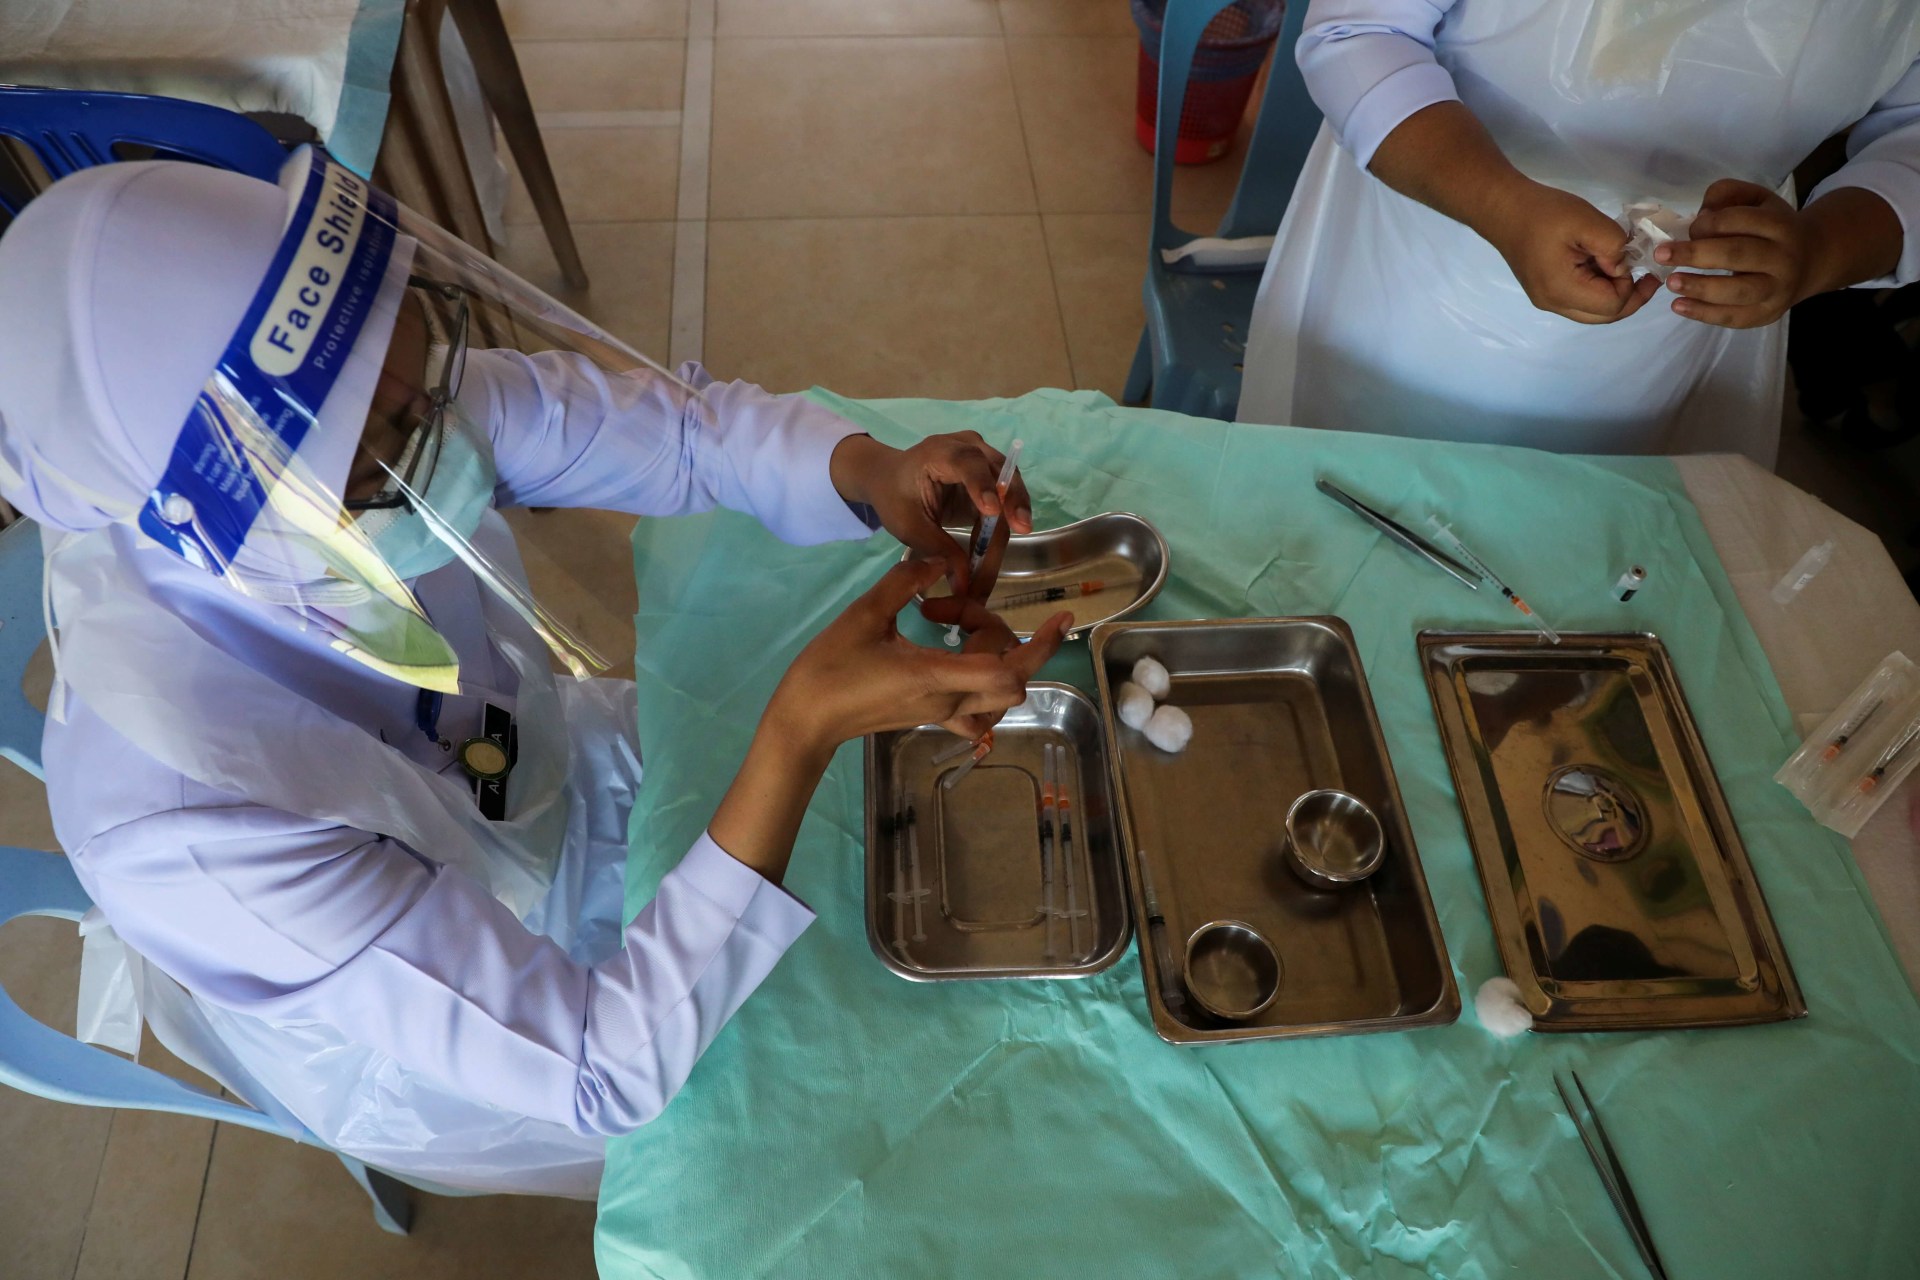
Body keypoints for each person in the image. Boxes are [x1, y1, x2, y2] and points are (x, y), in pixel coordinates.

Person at [0, 149, 1067, 1197]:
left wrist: (867, 471)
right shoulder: (187, 830)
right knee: (805, 1114)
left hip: (518, 762)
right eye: (387, 445)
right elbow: (598, 1063)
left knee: (816, 882)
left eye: (419, 378)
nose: (442, 430)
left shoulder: (346, 414)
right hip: (454, 1046)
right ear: (248, 510)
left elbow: (676, 437)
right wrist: (794, 735)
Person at [1236, 0, 1920, 464]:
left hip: (1688, 316)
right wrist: (1500, 204)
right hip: (1427, 261)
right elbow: (1357, 30)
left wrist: (1821, 250)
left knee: (1589, 578)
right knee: (1352, 517)